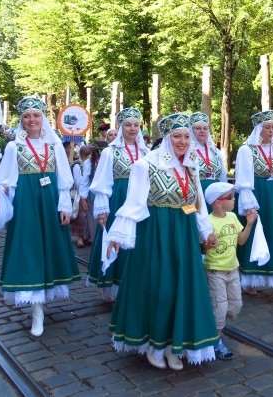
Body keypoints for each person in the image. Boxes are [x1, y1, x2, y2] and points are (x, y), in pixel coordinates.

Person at [105, 113, 219, 370]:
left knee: (182, 288)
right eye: (177, 136)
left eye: (186, 136)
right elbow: (133, 203)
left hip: (184, 234)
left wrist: (206, 232)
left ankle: (173, 346)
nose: (183, 141)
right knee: (161, 289)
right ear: (166, 138)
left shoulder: (192, 165)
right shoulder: (145, 164)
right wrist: (117, 235)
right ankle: (155, 344)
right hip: (156, 235)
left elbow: (197, 203)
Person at [0, 96, 81, 336]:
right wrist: (6, 190)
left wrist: (64, 206)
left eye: (36, 115)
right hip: (27, 206)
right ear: (21, 120)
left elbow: (64, 180)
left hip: (50, 202)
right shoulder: (14, 147)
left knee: (49, 249)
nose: (32, 120)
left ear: (43, 119)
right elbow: (4, 179)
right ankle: (36, 310)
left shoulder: (54, 146)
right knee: (29, 250)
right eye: (27, 116)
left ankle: (43, 298)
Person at [87, 107, 149, 302]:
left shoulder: (147, 152)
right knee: (118, 240)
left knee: (140, 240)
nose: (132, 129)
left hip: (141, 202)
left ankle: (135, 283)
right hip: (119, 200)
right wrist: (103, 209)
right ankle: (114, 285)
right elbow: (102, 182)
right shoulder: (110, 152)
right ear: (121, 127)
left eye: (136, 125)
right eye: (128, 125)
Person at [235, 110, 273, 301]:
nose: (270, 131)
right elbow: (243, 179)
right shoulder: (246, 150)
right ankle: (251, 279)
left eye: (272, 127)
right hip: (258, 194)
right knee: (256, 233)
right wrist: (249, 204)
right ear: (258, 129)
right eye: (266, 127)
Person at [203, 182, 257, 360]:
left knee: (235, 306)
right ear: (218, 202)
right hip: (215, 271)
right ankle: (215, 341)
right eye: (230, 197)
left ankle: (211, 326)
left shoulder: (233, 217)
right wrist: (207, 244)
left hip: (233, 270)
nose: (234, 200)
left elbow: (241, 241)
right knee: (220, 309)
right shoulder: (208, 222)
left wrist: (249, 225)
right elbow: (204, 247)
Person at [189, 112, 228, 202]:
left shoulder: (215, 151)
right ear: (191, 130)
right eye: (198, 128)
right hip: (197, 194)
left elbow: (222, 176)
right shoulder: (188, 152)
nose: (202, 131)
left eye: (205, 128)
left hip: (216, 194)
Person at [71, 145, 95, 248]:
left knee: (88, 217)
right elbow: (78, 181)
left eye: (90, 155)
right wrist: (83, 194)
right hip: (82, 194)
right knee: (80, 217)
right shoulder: (78, 165)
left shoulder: (92, 164)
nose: (88, 157)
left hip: (90, 193)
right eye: (86, 155)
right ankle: (80, 238)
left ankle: (87, 236)